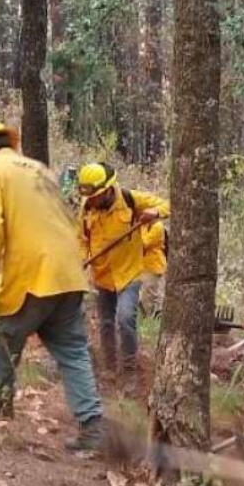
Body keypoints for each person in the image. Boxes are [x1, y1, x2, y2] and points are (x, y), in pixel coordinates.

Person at [0, 119, 105, 452]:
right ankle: (93, 428)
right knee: (73, 352)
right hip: (70, 273)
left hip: (32, 274)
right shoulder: (41, 170)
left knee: (0, 334)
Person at [76, 162, 170, 384]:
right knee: (106, 323)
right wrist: (80, 260)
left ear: (108, 189)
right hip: (102, 275)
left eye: (96, 196)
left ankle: (129, 372)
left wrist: (155, 212)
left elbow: (169, 204)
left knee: (126, 319)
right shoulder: (86, 208)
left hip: (129, 273)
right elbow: (81, 240)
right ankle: (110, 368)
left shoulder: (130, 199)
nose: (92, 201)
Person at [139, 220, 167, 317]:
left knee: (150, 294)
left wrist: (140, 228)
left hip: (154, 265)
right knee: (145, 295)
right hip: (144, 265)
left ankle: (151, 318)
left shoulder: (158, 226)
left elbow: (144, 243)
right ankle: (147, 317)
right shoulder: (145, 225)